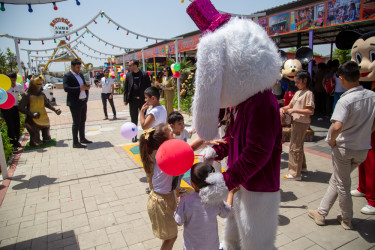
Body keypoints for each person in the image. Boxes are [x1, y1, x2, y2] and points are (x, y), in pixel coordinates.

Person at [308, 61, 375, 230]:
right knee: (337, 180)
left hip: (345, 149)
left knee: (343, 185)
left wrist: (331, 140)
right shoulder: (372, 96)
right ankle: (321, 213)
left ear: (342, 78)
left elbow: (337, 126)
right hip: (362, 149)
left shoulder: (346, 100)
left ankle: (346, 219)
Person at [174, 162, 238, 250]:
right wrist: (231, 193)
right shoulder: (216, 199)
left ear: (192, 183)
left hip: (191, 247)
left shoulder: (185, 200)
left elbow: (178, 221)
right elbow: (226, 212)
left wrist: (178, 205)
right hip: (211, 246)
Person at [139, 123, 177, 250]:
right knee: (172, 237)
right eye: (171, 132)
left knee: (167, 236)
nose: (173, 133)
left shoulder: (159, 154)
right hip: (161, 202)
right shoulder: (166, 156)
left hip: (163, 198)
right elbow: (189, 149)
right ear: (164, 142)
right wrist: (204, 139)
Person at [280, 70, 315, 180]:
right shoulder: (298, 92)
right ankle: (302, 167)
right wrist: (281, 108)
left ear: (305, 80)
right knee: (298, 145)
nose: (295, 84)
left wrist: (294, 110)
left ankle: (295, 173)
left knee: (295, 147)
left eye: (297, 82)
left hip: (301, 122)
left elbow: (310, 111)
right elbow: (289, 106)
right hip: (296, 122)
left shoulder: (308, 93)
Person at [63, 59, 92, 149]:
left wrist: (86, 87)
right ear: (72, 67)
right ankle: (75, 142)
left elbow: (83, 85)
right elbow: (66, 88)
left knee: (83, 120)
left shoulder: (81, 75)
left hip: (83, 101)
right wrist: (79, 88)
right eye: (77, 67)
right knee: (76, 122)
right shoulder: (67, 76)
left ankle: (82, 138)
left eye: (80, 67)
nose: (79, 69)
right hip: (74, 102)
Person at [123, 60, 151, 142]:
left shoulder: (144, 75)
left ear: (135, 66)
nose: (129, 67)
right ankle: (133, 135)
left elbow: (149, 87)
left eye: (130, 65)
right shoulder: (128, 75)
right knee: (133, 118)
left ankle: (146, 134)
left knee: (145, 118)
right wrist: (125, 99)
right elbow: (126, 88)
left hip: (143, 100)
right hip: (133, 100)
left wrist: (149, 100)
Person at [167, 111, 192, 196]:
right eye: (179, 124)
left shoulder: (184, 131)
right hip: (174, 162)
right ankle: (176, 196)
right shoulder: (170, 136)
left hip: (183, 160)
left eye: (183, 123)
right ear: (172, 126)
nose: (182, 125)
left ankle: (176, 189)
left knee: (181, 176)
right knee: (175, 178)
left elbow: (190, 134)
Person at [0, 72, 25, 152]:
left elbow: (23, 95)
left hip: (15, 107)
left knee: (17, 125)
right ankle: (12, 144)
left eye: (14, 80)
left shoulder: (19, 86)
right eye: (11, 80)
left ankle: (17, 141)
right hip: (6, 108)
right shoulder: (4, 87)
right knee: (10, 126)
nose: (12, 82)